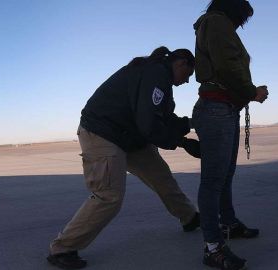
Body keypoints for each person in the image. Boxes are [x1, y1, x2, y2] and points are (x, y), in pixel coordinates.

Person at [47, 46, 201, 269]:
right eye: (188, 75)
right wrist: (183, 142)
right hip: (103, 134)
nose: (187, 82)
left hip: (129, 137)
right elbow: (149, 124)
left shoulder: (158, 78)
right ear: (181, 63)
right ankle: (62, 248)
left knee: (161, 177)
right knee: (108, 195)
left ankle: (190, 217)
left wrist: (188, 125)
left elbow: (160, 118)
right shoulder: (156, 74)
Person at [192, 0, 269, 269]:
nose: (241, 25)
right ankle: (213, 247)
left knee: (224, 176)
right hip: (216, 109)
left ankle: (229, 224)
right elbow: (226, 65)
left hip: (224, 108)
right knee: (213, 180)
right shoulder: (217, 22)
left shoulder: (216, 24)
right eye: (242, 18)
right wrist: (252, 92)